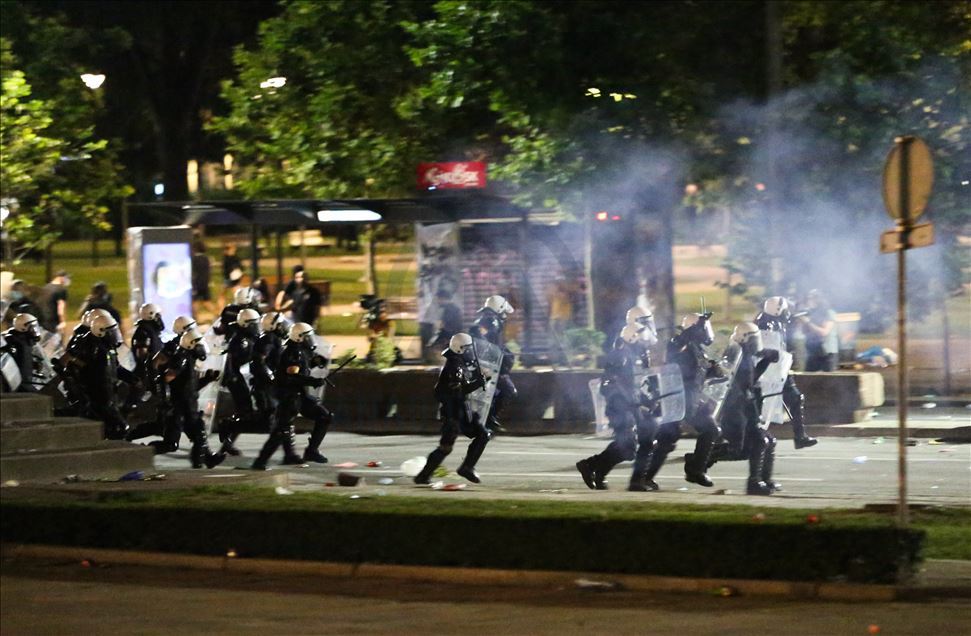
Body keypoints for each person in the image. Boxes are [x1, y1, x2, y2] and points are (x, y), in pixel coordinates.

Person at [642, 312, 722, 490]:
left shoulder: (697, 347)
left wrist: (713, 371)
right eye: (703, 327)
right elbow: (675, 351)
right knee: (667, 438)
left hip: (692, 399)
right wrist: (693, 330)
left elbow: (695, 372)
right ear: (694, 328)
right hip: (677, 399)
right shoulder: (678, 343)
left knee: (711, 430)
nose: (707, 330)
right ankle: (643, 477)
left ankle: (695, 470)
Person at [576, 324, 658, 491]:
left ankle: (597, 472)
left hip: (629, 408)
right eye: (640, 337)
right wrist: (625, 403)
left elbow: (631, 387)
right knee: (628, 447)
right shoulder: (620, 356)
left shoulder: (630, 357)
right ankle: (589, 465)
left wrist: (646, 400)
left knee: (627, 446)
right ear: (632, 337)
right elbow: (610, 385)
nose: (644, 341)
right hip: (620, 409)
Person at [708, 322, 779, 495]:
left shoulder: (745, 355)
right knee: (749, 446)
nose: (757, 342)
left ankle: (764, 480)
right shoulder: (734, 354)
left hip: (747, 407)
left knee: (767, 441)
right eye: (753, 338)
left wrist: (766, 361)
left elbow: (750, 379)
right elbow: (734, 382)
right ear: (744, 338)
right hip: (735, 409)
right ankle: (753, 483)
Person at [252, 322, 332, 469]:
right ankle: (260, 462)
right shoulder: (292, 352)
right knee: (281, 430)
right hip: (289, 397)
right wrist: (312, 381)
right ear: (299, 337)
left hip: (300, 395)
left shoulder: (301, 350)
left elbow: (303, 367)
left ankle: (311, 451)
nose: (311, 339)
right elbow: (292, 377)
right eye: (308, 336)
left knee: (324, 416)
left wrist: (315, 362)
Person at [413, 333, 489, 485]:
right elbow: (458, 391)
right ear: (460, 349)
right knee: (446, 447)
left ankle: (466, 467)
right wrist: (477, 382)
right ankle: (424, 476)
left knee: (482, 434)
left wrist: (478, 377)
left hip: (461, 409)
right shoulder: (454, 366)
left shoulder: (458, 362)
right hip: (453, 412)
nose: (470, 351)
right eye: (467, 349)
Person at [151, 328, 225, 468]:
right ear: (190, 344)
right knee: (183, 438)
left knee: (192, 435)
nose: (201, 347)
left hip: (185, 404)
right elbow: (168, 380)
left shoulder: (188, 358)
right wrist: (166, 401)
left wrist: (207, 379)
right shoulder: (181, 359)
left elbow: (188, 386)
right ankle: (141, 453)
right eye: (198, 344)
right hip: (181, 406)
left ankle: (205, 459)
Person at [754, 296, 817, 449]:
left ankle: (800, 437)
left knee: (795, 399)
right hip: (765, 372)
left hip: (778, 371)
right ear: (777, 310)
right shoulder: (765, 324)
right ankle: (751, 438)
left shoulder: (774, 322)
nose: (787, 313)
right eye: (785, 310)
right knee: (757, 408)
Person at [77, 313, 139, 439]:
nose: (115, 335)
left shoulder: (108, 349)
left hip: (109, 395)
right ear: (100, 332)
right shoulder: (93, 349)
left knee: (111, 428)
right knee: (119, 428)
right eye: (111, 332)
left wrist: (131, 378)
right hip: (99, 397)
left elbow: (116, 368)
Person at [217, 307, 262, 456]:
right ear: (246, 324)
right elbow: (236, 362)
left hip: (242, 378)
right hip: (238, 379)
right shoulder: (241, 340)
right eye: (254, 323)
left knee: (244, 412)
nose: (257, 326)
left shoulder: (247, 337)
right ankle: (227, 429)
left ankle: (227, 442)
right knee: (244, 412)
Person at [469, 295, 517, 431]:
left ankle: (488, 420)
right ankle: (489, 419)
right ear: (499, 309)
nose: (505, 316)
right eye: (504, 312)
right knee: (509, 390)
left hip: (486, 363)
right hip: (489, 364)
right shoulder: (491, 321)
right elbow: (484, 340)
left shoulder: (485, 319)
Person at [799, 289, 839, 372]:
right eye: (809, 299)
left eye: (812, 298)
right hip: (813, 352)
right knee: (808, 379)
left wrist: (808, 322)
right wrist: (803, 323)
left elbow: (824, 332)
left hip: (827, 352)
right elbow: (805, 332)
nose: (809, 301)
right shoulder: (811, 313)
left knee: (829, 380)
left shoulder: (829, 313)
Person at [1, 313, 42, 392]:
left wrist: (33, 364)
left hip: (27, 382)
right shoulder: (13, 341)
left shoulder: (26, 341)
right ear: (23, 327)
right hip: (20, 385)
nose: (35, 330)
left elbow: (22, 360)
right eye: (32, 327)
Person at [130, 303, 165, 390]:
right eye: (157, 315)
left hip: (154, 370)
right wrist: (151, 373)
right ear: (150, 315)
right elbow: (142, 357)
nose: (159, 318)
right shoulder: (143, 332)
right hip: (148, 374)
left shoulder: (151, 329)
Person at [41, 270, 71, 340]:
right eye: (66, 278)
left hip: (44, 320)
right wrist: (62, 322)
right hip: (54, 321)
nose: (68, 280)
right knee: (57, 345)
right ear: (61, 278)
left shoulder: (46, 287)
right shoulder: (61, 289)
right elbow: (61, 307)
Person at [191, 240, 215, 319]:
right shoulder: (207, 259)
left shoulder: (194, 259)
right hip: (205, 282)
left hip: (197, 283)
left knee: (195, 301)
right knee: (207, 301)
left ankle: (195, 318)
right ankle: (217, 315)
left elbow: (193, 272)